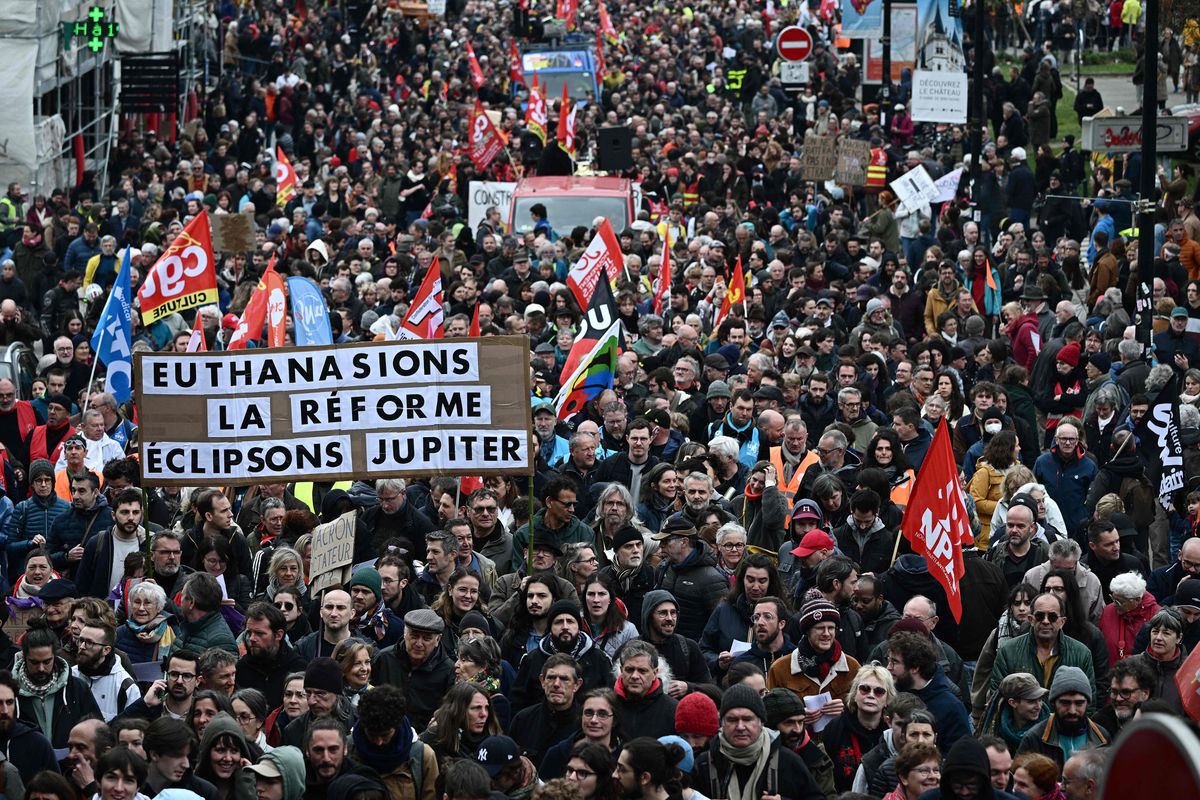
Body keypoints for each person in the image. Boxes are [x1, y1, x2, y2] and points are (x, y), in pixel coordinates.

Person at [691, 685, 825, 800]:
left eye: (747, 719)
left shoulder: (787, 761)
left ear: (761, 722)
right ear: (722, 723)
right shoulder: (704, 763)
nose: (740, 727)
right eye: (732, 720)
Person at [767, 598, 860, 721]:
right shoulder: (780, 668)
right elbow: (769, 713)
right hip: (797, 738)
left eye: (831, 628)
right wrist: (795, 716)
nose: (826, 633)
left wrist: (846, 709)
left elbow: (864, 711)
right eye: (820, 628)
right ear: (807, 631)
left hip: (840, 739)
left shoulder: (852, 667)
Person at [14, 618, 101, 746]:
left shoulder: (76, 688)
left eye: (47, 661)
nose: (41, 668)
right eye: (34, 662)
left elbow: (96, 731)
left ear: (55, 657)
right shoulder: (10, 692)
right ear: (24, 657)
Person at [885, 632, 971, 752]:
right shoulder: (889, 696)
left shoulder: (951, 707)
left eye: (895, 662)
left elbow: (960, 754)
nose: (889, 667)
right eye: (889, 660)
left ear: (915, 667)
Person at [349, 684, 438, 800]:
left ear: (396, 726)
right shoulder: (347, 749)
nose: (379, 742)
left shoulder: (423, 756)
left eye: (385, 735)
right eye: (372, 735)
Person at [370, 609, 454, 731]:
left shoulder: (447, 670)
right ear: (404, 633)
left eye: (426, 638)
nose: (419, 643)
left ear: (438, 640)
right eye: (414, 636)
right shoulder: (384, 659)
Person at [1016, 666, 1109, 771]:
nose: (1072, 711)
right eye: (1065, 703)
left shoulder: (1102, 738)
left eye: (1079, 703)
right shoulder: (1035, 738)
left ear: (1087, 703)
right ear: (1053, 702)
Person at [821, 664, 894, 793]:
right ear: (855, 694)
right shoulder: (835, 728)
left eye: (879, 691)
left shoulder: (893, 731)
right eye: (865, 689)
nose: (871, 695)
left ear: (888, 699)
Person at [652, 517, 727, 641]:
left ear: (684, 542)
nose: (661, 546)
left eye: (666, 541)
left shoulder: (712, 579)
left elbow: (720, 624)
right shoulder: (663, 568)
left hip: (694, 651)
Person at [508, 654, 582, 766]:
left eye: (564, 679)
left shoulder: (585, 724)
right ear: (542, 681)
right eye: (551, 677)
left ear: (577, 684)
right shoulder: (523, 720)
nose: (556, 684)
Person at [421, 682, 500, 768]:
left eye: (487, 707)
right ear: (458, 711)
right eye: (476, 708)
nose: (484, 714)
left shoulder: (495, 741)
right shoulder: (436, 739)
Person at [610, 642, 677, 740]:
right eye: (629, 670)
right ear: (621, 670)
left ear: (655, 673)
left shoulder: (673, 710)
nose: (634, 676)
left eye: (642, 671)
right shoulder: (608, 705)